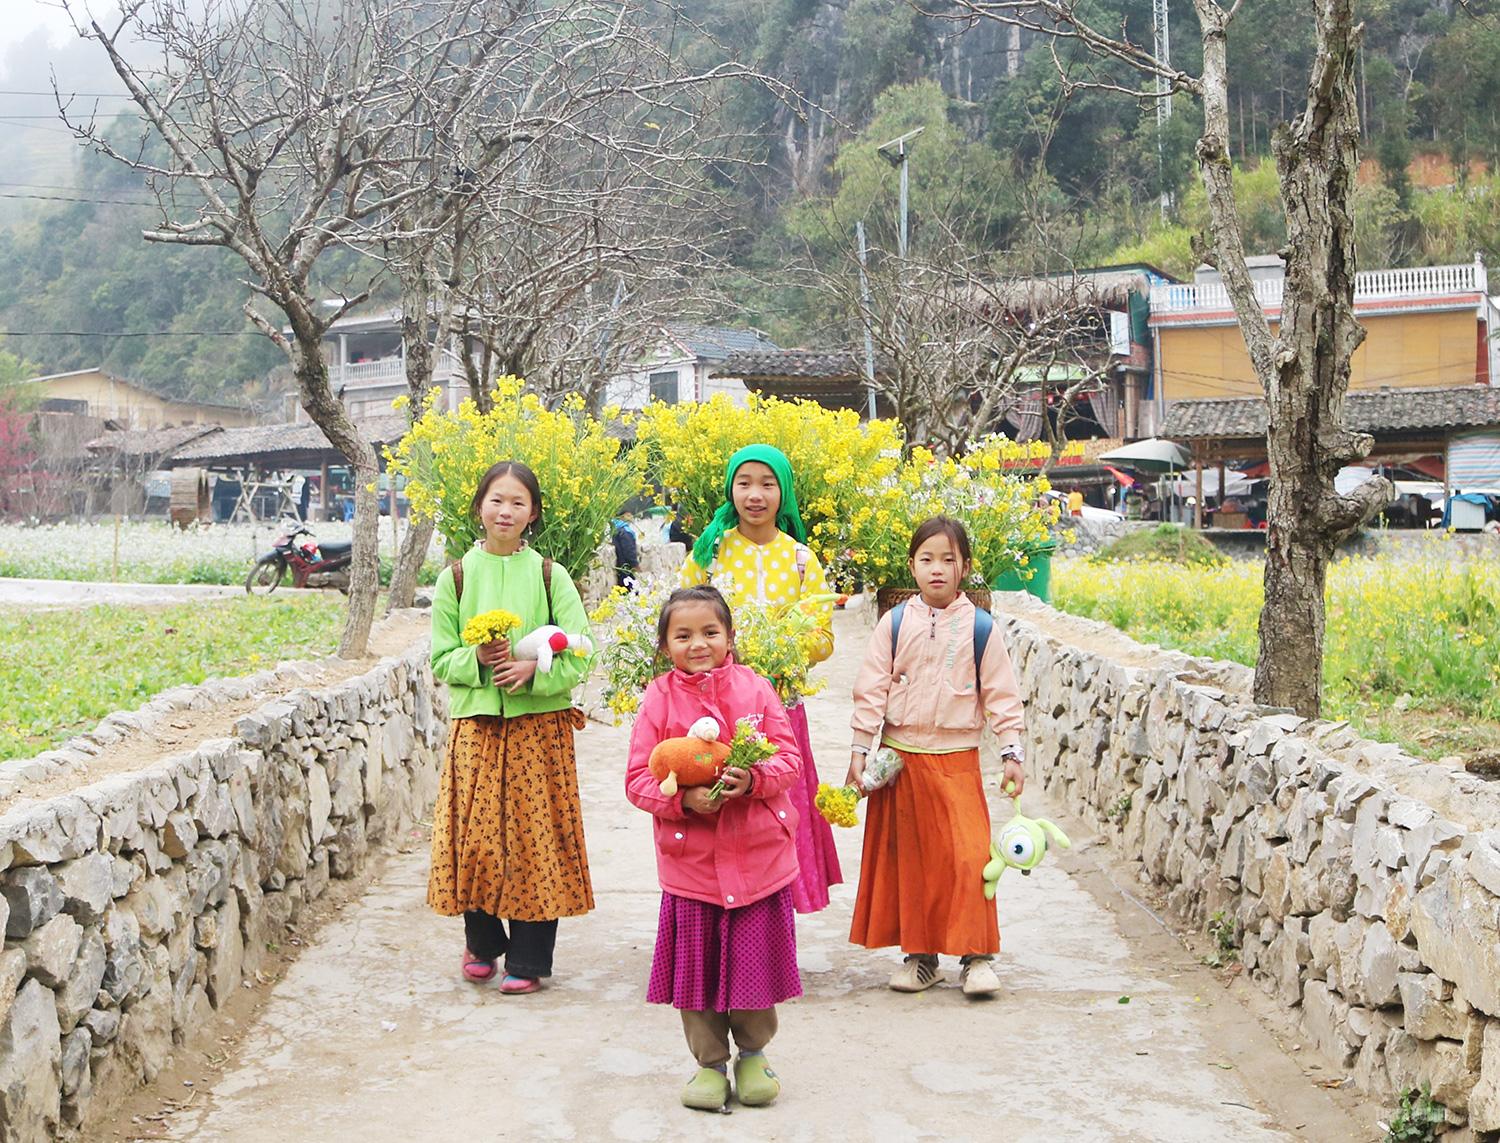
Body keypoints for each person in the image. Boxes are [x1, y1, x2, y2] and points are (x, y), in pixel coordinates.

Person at [625, 586, 803, 1111]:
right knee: (696, 973)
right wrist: (683, 800)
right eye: (683, 635)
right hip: (692, 867)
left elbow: (789, 760)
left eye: (710, 632)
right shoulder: (658, 698)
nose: (697, 644)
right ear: (664, 646)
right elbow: (637, 779)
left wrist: (753, 780)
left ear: (730, 638)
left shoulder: (757, 689)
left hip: (757, 859)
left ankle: (753, 1055)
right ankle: (707, 1065)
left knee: (754, 968)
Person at [427, 460, 595, 994]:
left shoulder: (550, 575)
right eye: (497, 500)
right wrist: (477, 660)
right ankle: (481, 943)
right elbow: (439, 659)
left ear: (534, 514)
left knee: (535, 842)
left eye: (518, 502)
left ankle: (528, 959)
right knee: (473, 838)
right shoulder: (455, 577)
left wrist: (534, 672)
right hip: (476, 728)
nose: (506, 511)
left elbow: (582, 653)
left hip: (538, 731)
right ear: (479, 507)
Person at [846, 515, 1027, 999]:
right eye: (927, 559)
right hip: (900, 761)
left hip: (957, 761)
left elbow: (1002, 696)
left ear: (965, 567)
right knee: (913, 864)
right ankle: (921, 958)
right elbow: (870, 690)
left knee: (968, 859)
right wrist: (860, 749)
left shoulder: (981, 629)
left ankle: (976, 957)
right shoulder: (895, 623)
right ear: (912, 566)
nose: (937, 569)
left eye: (949, 560)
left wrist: (1012, 751)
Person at [679, 444, 842, 914]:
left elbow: (824, 637)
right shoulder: (708, 554)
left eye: (768, 484)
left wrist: (782, 652)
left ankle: (775, 925)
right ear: (730, 489)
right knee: (721, 813)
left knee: (777, 812)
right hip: (714, 712)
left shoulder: (801, 560)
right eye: (744, 482)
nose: (755, 494)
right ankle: (719, 917)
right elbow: (678, 621)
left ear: (784, 492)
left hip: (781, 710)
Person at [611, 512, 640, 588]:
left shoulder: (615, 529)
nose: (631, 518)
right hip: (626, 565)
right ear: (621, 517)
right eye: (628, 515)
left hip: (619, 563)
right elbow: (629, 549)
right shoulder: (626, 532)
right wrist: (634, 564)